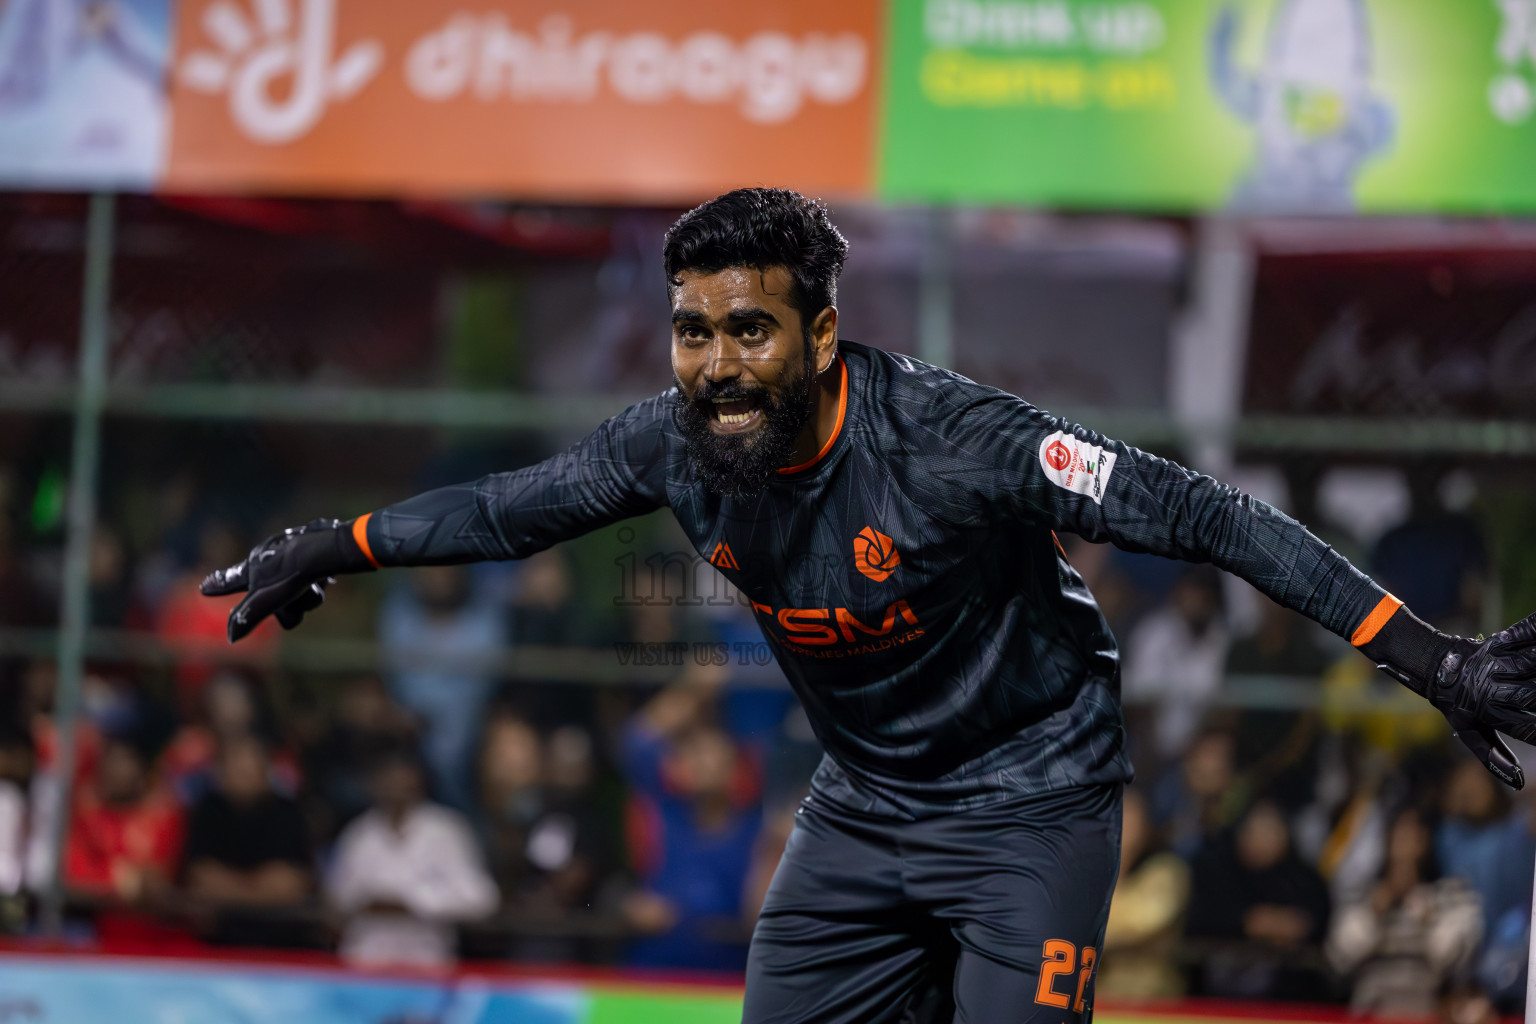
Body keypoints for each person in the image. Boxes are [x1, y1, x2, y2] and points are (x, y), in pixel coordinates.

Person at [202, 188, 1536, 1022]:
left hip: (1035, 802)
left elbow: (1212, 516)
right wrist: (339, 541)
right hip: (864, 810)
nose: (716, 367)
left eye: (750, 331)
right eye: (692, 330)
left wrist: (1431, 661)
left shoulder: (957, 440)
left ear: (823, 336)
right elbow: (507, 511)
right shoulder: (669, 445)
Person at [325, 748, 498, 968]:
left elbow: (482, 898)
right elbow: (337, 899)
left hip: (426, 963)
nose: (395, 785)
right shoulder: (358, 834)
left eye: (401, 776)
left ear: (418, 780)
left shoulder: (446, 830)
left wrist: (414, 903)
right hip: (365, 963)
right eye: (387, 777)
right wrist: (368, 902)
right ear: (373, 783)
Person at [181, 735, 313, 945]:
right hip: (218, 939)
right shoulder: (206, 811)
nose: (246, 778)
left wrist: (229, 892)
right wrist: (261, 890)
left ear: (267, 772)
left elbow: (291, 887)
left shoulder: (290, 814)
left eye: (252, 770)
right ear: (221, 773)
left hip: (281, 940)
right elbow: (201, 880)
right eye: (239, 771)